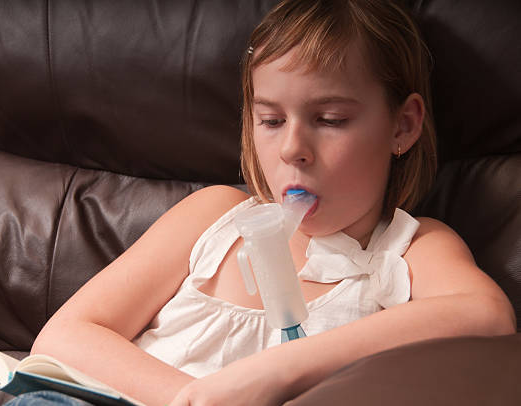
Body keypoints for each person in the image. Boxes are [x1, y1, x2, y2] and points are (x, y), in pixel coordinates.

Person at [28, 1, 516, 405]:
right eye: (271, 120)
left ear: (403, 126)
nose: (291, 150)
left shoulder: (408, 249)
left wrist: (277, 371)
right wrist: (197, 397)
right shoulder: (214, 215)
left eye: (329, 119)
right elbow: (64, 338)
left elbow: (487, 318)